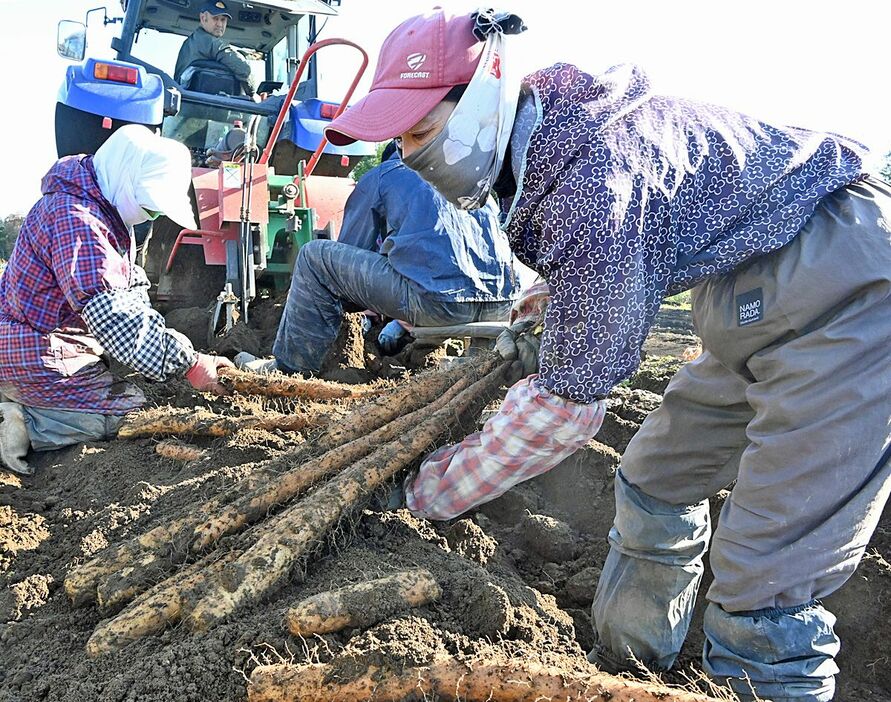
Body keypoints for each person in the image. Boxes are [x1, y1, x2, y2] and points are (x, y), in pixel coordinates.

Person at [322, 8, 891, 701]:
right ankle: (628, 672)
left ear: (483, 98)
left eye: (420, 130)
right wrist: (561, 293)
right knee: (654, 480)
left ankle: (764, 679)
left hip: (849, 288)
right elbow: (636, 232)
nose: (412, 155)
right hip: (743, 293)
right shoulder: (556, 140)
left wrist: (417, 501)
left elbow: (565, 410)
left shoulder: (591, 178)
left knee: (764, 576)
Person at [0, 125, 233, 477]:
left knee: (141, 387)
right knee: (128, 411)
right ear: (126, 179)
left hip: (53, 343)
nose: (149, 216)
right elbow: (113, 314)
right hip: (35, 351)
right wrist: (190, 363)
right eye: (148, 207)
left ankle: (31, 402)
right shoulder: (76, 219)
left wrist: (174, 353)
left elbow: (132, 295)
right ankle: (24, 422)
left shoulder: (102, 214)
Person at [236, 139, 518, 376]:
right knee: (469, 369)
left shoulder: (385, 174)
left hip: (436, 304)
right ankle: (473, 374)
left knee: (314, 257)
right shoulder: (470, 180)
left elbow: (346, 266)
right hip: (503, 308)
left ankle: (287, 370)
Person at [173, 1, 258, 99]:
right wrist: (253, 93)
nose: (219, 24)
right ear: (203, 18)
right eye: (215, 18)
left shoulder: (192, 42)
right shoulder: (209, 42)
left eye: (223, 20)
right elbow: (244, 70)